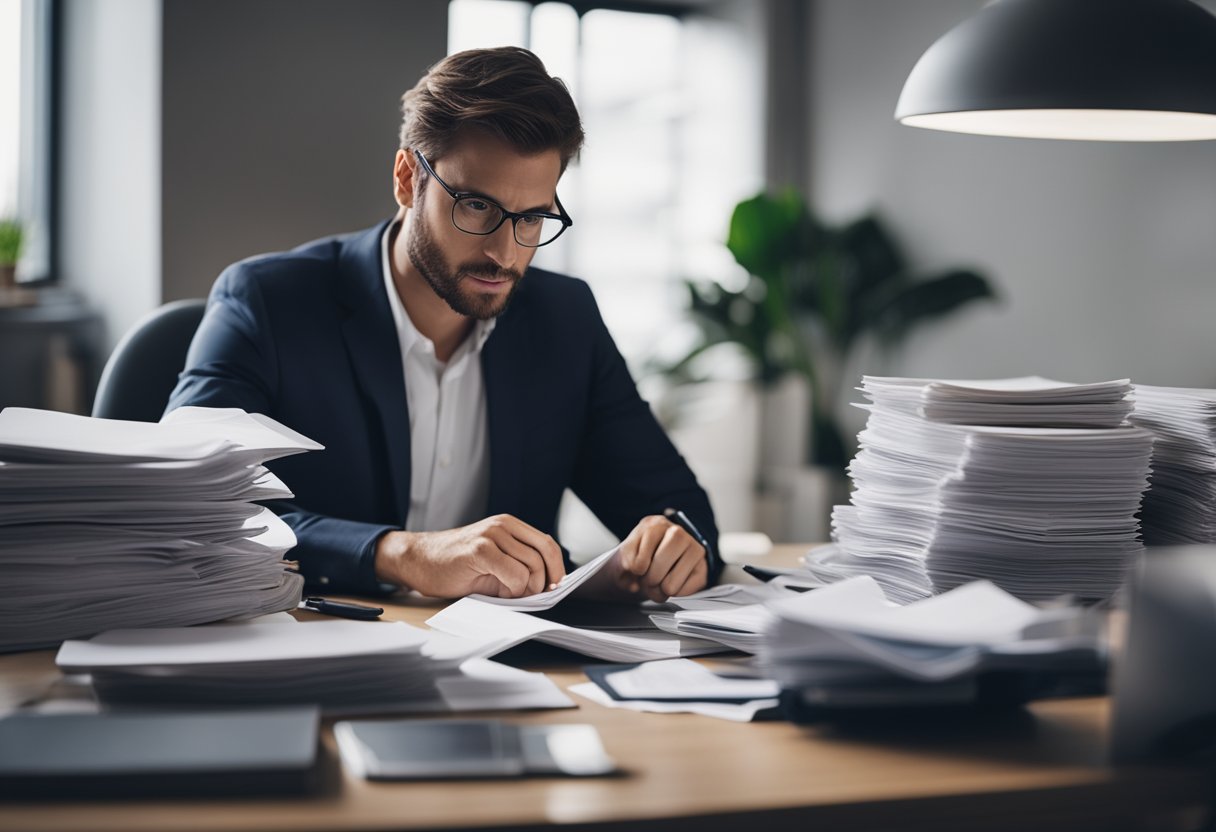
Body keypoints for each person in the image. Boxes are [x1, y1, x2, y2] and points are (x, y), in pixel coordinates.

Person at [168, 46, 719, 602]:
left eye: (531, 218)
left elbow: (681, 511)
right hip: (310, 647)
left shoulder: (564, 319)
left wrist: (675, 545)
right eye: (476, 206)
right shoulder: (269, 301)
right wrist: (405, 555)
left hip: (508, 669)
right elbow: (192, 510)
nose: (505, 253)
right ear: (408, 179)